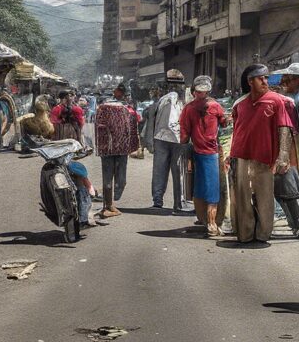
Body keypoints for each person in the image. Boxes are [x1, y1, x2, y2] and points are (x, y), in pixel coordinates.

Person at [229, 65, 295, 244]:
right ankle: (245, 233)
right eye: (261, 79)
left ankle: (263, 234)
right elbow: (236, 130)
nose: (265, 82)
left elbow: (285, 128)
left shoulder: (276, 101)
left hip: (265, 158)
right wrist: (230, 155)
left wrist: (283, 156)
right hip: (241, 155)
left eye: (266, 78)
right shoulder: (240, 104)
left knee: (264, 197)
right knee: (242, 196)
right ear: (251, 82)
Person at [180, 76, 228, 237]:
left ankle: (205, 221)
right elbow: (225, 123)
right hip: (209, 155)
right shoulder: (214, 106)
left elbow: (184, 134)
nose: (201, 94)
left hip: (199, 153)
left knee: (200, 189)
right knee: (212, 192)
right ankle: (211, 223)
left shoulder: (190, 108)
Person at [271, 63, 299, 236]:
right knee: (285, 188)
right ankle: (297, 223)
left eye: (289, 79)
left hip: (293, 149)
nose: (284, 83)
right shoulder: (285, 99)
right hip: (283, 148)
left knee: (292, 188)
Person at [142, 70, 191, 212]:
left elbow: (151, 118)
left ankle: (160, 200)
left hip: (161, 139)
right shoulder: (175, 100)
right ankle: (177, 202)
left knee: (160, 170)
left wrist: (149, 139)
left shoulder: (163, 100)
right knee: (177, 171)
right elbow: (170, 123)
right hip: (175, 140)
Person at [95, 84, 140, 219]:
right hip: (117, 149)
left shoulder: (103, 109)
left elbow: (97, 129)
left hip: (111, 149)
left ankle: (108, 204)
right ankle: (108, 205)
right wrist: (133, 146)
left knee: (111, 179)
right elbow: (133, 128)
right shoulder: (127, 110)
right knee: (115, 179)